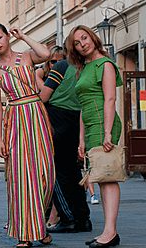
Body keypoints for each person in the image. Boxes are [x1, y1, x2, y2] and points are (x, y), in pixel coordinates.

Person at [0, 24, 55, 247]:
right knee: (20, 177)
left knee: (46, 174)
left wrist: (23, 36)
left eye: (0, 37)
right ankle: (25, 234)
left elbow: (46, 54)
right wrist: (0, 139)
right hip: (14, 118)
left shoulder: (26, 56)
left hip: (36, 114)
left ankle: (39, 225)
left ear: (7, 36)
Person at [66, 25, 122, 248]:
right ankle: (109, 232)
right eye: (77, 43)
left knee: (108, 177)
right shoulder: (84, 68)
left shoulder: (105, 64)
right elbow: (82, 106)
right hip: (90, 126)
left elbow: (110, 100)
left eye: (84, 38)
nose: (82, 44)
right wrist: (81, 139)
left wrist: (108, 132)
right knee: (101, 177)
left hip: (104, 123)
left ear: (92, 37)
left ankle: (110, 232)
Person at [38, 50, 93, 233]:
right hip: (77, 120)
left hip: (57, 119)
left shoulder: (62, 66)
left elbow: (43, 97)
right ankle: (82, 218)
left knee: (54, 172)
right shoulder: (86, 68)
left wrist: (35, 78)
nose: (53, 63)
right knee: (73, 172)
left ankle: (68, 217)